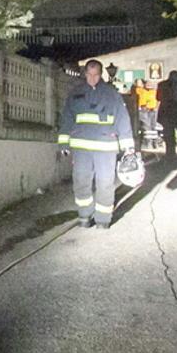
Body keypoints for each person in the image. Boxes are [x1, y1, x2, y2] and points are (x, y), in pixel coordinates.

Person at [58, 59, 136, 229]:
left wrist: (128, 146)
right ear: (85, 73)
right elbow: (67, 118)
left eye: (96, 75)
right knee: (81, 180)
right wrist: (63, 143)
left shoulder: (111, 94)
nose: (92, 78)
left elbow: (122, 118)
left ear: (101, 75)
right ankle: (84, 215)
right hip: (82, 147)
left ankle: (103, 219)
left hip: (105, 146)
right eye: (90, 74)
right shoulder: (75, 93)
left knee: (105, 182)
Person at [134, 78, 159, 146]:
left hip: (153, 110)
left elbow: (158, 100)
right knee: (147, 127)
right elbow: (134, 90)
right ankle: (148, 142)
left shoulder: (154, 91)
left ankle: (155, 142)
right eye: (147, 83)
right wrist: (138, 83)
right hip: (144, 110)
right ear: (144, 84)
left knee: (153, 126)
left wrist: (156, 107)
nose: (149, 85)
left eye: (150, 84)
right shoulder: (140, 90)